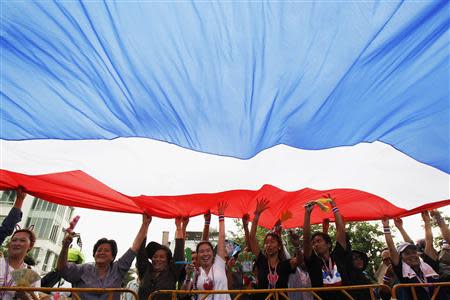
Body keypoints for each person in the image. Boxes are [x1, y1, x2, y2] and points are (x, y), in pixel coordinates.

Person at [57, 214, 151, 300]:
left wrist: (145, 224)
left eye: (106, 251)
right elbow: (62, 269)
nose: (102, 252)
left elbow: (134, 248)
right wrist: (65, 247)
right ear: (94, 255)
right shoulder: (83, 269)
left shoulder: (118, 269)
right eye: (99, 250)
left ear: (112, 257)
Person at [382, 212, 446, 300]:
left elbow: (429, 242)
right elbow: (391, 248)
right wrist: (386, 226)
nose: (412, 256)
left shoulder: (428, 265)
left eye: (414, 252)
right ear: (401, 258)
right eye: (407, 253)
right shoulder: (401, 270)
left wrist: (427, 222)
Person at [249, 198, 301, 299]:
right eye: (266, 243)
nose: (268, 245)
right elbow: (252, 238)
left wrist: (297, 245)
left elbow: (299, 260)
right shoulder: (261, 260)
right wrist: (257, 215)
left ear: (279, 246)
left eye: (272, 242)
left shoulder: (285, 264)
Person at [303, 198, 352, 300]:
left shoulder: (338, 256)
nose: (315, 245)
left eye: (319, 241)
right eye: (314, 243)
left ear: (329, 244)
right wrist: (307, 214)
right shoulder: (313, 262)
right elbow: (306, 240)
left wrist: (334, 207)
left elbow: (341, 232)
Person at [181, 202, 230, 300]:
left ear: (213, 253)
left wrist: (221, 216)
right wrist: (187, 276)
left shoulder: (219, 264)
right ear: (198, 255)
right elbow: (182, 294)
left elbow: (221, 237)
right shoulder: (196, 273)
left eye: (208, 250)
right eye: (201, 252)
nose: (205, 254)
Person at [137, 216, 188, 300]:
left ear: (167, 260)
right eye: (155, 256)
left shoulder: (172, 272)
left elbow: (179, 251)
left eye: (162, 257)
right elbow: (141, 251)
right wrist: (145, 224)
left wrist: (179, 226)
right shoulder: (145, 269)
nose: (158, 259)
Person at [0, 227, 40, 300]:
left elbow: (36, 298)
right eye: (14, 240)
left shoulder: (31, 272)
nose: (16, 243)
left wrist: (24, 296)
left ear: (30, 246)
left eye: (22, 240)